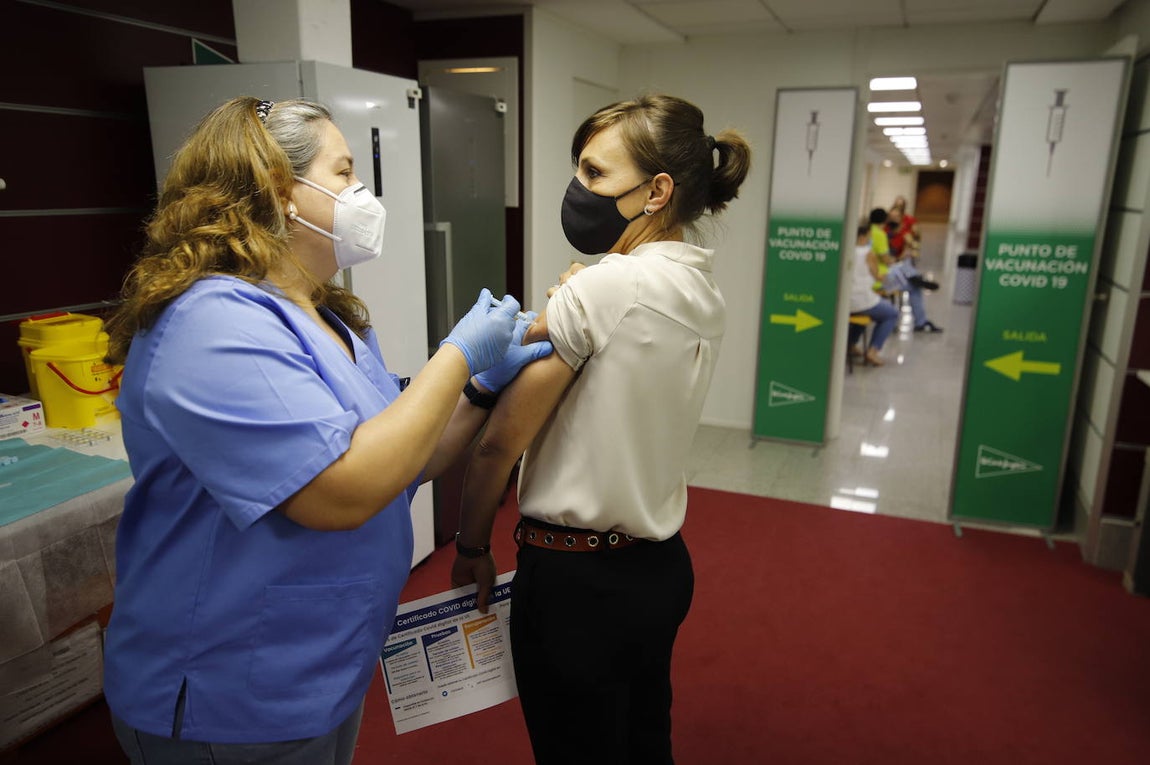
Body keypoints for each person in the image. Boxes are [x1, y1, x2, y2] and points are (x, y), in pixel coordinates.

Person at [101, 97, 551, 764]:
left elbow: (402, 456)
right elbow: (343, 488)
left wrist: (479, 388)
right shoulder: (208, 323)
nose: (362, 195)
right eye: (345, 174)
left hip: (319, 663)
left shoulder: (329, 315)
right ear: (284, 193)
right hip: (228, 689)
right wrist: (456, 355)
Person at [450, 94, 752, 764]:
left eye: (594, 173)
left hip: (575, 582)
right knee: (643, 740)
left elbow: (500, 441)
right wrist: (580, 299)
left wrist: (471, 543)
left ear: (657, 190)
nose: (577, 188)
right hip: (658, 569)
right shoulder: (702, 290)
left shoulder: (605, 287)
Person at [868, 206, 942, 333]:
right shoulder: (880, 235)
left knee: (905, 266)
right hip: (880, 278)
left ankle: (916, 278)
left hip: (876, 273)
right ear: (885, 220)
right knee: (913, 286)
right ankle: (920, 321)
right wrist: (896, 260)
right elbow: (886, 259)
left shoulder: (868, 232)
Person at [848, 223, 900, 366]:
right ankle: (873, 350)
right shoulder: (867, 253)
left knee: (864, 314)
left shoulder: (845, 249)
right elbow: (877, 275)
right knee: (891, 314)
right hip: (861, 299)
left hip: (846, 301)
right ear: (863, 236)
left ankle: (850, 345)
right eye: (869, 236)